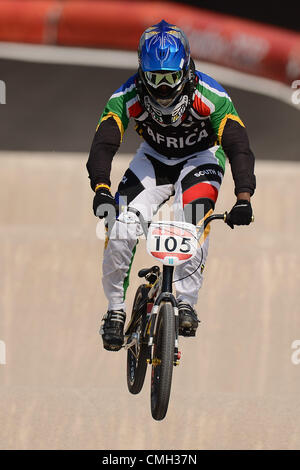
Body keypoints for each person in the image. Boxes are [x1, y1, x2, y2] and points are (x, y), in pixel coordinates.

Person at [87, 19, 256, 351]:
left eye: (171, 78)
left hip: (201, 159)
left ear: (186, 71)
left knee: (191, 221)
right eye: (155, 79)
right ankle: (115, 310)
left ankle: (186, 301)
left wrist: (243, 196)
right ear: (142, 74)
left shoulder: (211, 95)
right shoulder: (128, 95)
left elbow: (238, 145)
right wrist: (102, 188)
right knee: (120, 226)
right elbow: (104, 142)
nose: (163, 89)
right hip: (153, 159)